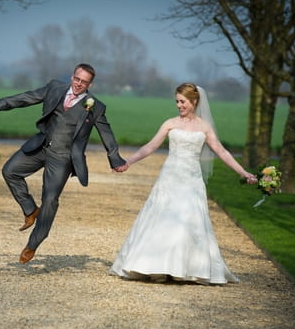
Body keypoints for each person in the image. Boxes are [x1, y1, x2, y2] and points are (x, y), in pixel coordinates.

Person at [110, 83, 257, 285]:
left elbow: (222, 152)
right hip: (170, 178)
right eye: (177, 101)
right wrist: (128, 162)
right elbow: (151, 146)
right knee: (162, 219)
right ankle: (155, 267)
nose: (179, 105)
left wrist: (244, 172)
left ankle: (181, 268)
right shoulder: (170, 123)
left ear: (194, 102)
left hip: (191, 180)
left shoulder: (204, 128)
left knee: (187, 221)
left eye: (183, 101)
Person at [0, 63, 126, 263]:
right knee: (10, 171)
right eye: (77, 79)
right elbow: (26, 97)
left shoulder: (95, 106)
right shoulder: (54, 88)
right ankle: (30, 209)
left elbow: (107, 133)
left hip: (63, 157)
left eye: (84, 82)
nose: (79, 84)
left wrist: (115, 159)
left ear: (90, 84)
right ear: (72, 76)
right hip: (41, 146)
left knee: (50, 199)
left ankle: (33, 243)